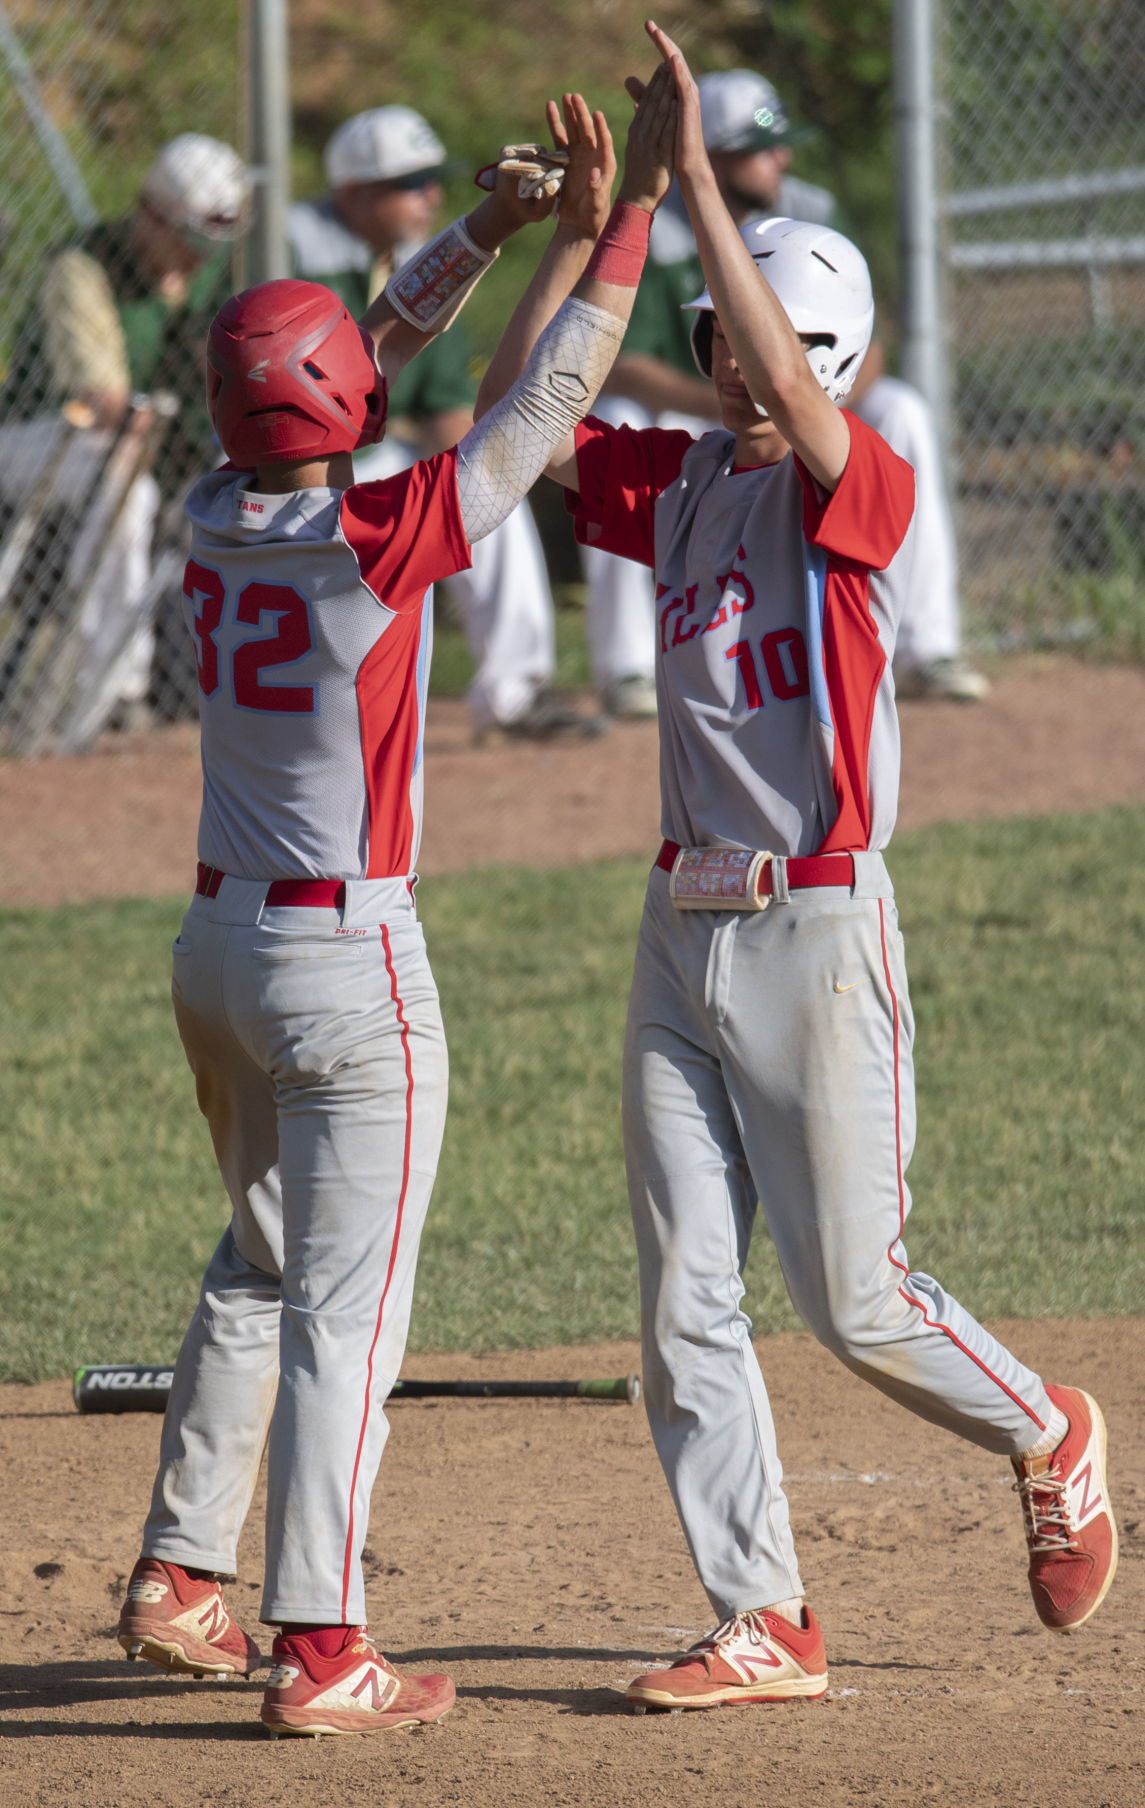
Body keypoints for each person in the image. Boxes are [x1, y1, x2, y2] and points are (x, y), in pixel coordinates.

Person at [487, 22, 1117, 1711]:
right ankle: (765, 1613)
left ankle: (1049, 1423)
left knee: (854, 1297)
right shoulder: (684, 485)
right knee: (682, 1299)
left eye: (756, 345)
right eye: (715, 342)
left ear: (815, 353)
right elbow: (514, 430)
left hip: (818, 928)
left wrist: (696, 178)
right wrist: (586, 237)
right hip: (674, 932)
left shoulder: (863, 494)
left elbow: (812, 408)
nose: (729, 370)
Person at [112, 73, 678, 1739]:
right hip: (346, 958)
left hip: (213, 946)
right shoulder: (383, 530)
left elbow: (343, 350)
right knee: (346, 1310)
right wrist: (620, 216)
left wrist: (497, 229)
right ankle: (319, 1645)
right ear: (336, 408)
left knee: (261, 1262)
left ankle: (178, 1573)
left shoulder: (216, 506)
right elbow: (553, 392)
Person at [589, 63, 989, 708]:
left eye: (778, 144)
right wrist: (740, 400)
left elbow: (868, 343)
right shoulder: (661, 229)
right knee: (615, 409)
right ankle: (627, 665)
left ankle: (927, 646)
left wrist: (812, 412)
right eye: (756, 149)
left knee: (902, 408)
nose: (781, 157)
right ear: (709, 156)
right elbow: (623, 360)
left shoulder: (808, 210)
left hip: (797, 403)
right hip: (694, 407)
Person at [289, 105, 591, 739]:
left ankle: (515, 692)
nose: (429, 194)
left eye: (431, 181)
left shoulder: (400, 255)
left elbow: (436, 395)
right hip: (277, 465)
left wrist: (486, 465)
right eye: (408, 184)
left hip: (361, 457)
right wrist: (508, 221)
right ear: (352, 192)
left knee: (490, 491)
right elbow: (387, 343)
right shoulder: (290, 249)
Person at [0, 135, 251, 741]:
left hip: (149, 447)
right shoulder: (83, 265)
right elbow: (106, 405)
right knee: (123, 482)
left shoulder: (215, 273)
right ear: (149, 211)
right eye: (187, 243)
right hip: (38, 441)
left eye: (208, 248)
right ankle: (113, 690)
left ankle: (257, 678)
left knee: (261, 472)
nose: (197, 261)